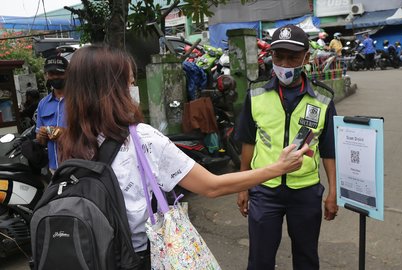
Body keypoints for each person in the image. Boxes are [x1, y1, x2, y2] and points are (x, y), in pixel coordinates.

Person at [57, 44, 310, 269]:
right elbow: (212, 186)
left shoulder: (70, 141)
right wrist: (278, 168)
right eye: (130, 83)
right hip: (138, 257)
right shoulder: (141, 138)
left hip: (95, 256)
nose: (133, 90)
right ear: (113, 90)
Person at [234, 24, 338, 270]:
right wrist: (242, 185)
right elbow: (248, 141)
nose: (285, 63)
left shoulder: (322, 100)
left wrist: (333, 192)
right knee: (260, 259)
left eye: (293, 57)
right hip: (264, 190)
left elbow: (329, 149)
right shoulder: (256, 94)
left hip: (305, 192)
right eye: (278, 56)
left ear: (306, 57)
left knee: (306, 259)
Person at [35, 55, 68, 171]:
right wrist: (41, 135)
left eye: (59, 73)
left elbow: (90, 133)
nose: (55, 77)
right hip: (54, 168)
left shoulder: (80, 100)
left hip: (78, 166)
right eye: (51, 74)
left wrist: (64, 133)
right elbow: (41, 141)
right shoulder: (43, 104)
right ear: (46, 76)